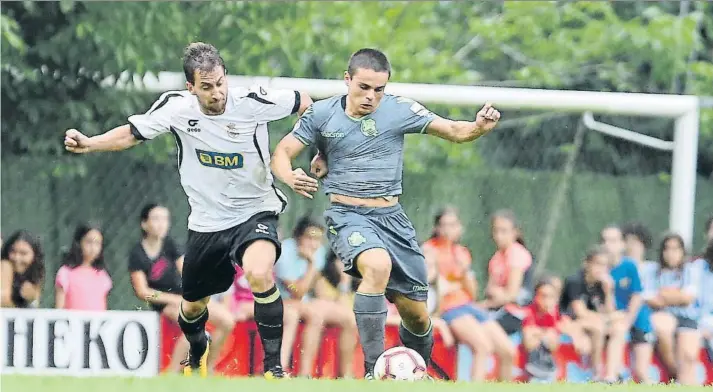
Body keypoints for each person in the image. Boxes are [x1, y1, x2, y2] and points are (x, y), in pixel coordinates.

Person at [63, 42, 312, 378]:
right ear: (190, 87)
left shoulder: (253, 100)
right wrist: (91, 143)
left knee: (259, 272)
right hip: (207, 222)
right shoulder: (176, 108)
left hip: (256, 211)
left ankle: (273, 368)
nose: (217, 93)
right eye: (206, 87)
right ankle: (198, 348)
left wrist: (306, 151)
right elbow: (133, 133)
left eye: (221, 83)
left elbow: (305, 102)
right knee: (193, 305)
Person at [270, 48, 500, 379]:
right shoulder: (321, 114)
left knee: (418, 316)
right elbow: (283, 151)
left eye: (379, 89)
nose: (371, 96)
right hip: (347, 216)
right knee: (377, 266)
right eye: (363, 87)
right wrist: (290, 175)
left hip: (393, 220)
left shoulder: (398, 110)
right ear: (347, 79)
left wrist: (478, 126)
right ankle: (373, 371)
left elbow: (454, 131)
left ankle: (413, 375)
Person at [128, 203, 235, 373]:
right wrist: (176, 299)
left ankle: (208, 369)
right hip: (165, 305)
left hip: (185, 299)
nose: (161, 223)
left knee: (227, 321)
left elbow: (186, 272)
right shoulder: (137, 253)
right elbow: (143, 292)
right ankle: (172, 373)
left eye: (165, 219)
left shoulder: (170, 245)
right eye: (156, 219)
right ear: (144, 224)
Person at [275, 217, 357, 378]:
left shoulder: (318, 252)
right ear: (298, 237)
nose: (314, 244)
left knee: (349, 318)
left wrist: (341, 289)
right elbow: (296, 291)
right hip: (284, 301)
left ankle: (345, 376)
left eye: (317, 239)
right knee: (316, 315)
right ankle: (305, 374)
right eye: (309, 238)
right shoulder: (284, 251)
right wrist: (312, 265)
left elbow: (318, 288)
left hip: (304, 303)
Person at [422, 207, 490, 381]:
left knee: (505, 350)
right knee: (482, 347)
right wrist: (454, 285)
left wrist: (464, 270)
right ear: (436, 228)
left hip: (467, 305)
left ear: (459, 227)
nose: (447, 229)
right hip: (449, 308)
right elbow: (435, 285)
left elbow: (472, 292)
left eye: (452, 225)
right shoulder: (429, 250)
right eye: (443, 225)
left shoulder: (462, 252)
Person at [478, 210, 534, 381]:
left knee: (491, 342)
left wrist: (495, 297)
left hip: (517, 313)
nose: (498, 236)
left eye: (504, 231)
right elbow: (491, 292)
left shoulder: (517, 254)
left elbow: (510, 294)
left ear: (515, 232)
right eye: (495, 231)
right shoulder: (496, 258)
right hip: (500, 310)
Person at [600, 225, 655, 383]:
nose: (607, 245)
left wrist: (627, 321)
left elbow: (637, 296)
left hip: (637, 320)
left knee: (640, 371)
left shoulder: (629, 266)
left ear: (622, 244)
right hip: (613, 317)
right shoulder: (599, 268)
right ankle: (611, 377)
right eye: (604, 240)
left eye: (612, 240)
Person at [646, 233, 702, 385]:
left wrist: (665, 294)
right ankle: (674, 372)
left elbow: (687, 298)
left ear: (683, 252)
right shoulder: (653, 271)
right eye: (667, 249)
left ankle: (685, 381)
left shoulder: (690, 270)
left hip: (687, 318)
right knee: (663, 325)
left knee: (689, 355)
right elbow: (652, 299)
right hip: (664, 315)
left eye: (675, 249)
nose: (671, 253)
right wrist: (676, 295)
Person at [559, 245, 616, 381]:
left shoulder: (601, 285)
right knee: (598, 326)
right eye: (597, 264)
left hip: (590, 323)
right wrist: (608, 318)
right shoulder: (575, 281)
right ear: (587, 263)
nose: (601, 269)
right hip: (569, 322)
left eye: (605, 266)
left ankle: (613, 374)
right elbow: (580, 312)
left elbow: (609, 311)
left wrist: (609, 292)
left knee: (618, 328)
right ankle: (596, 373)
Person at [55, 224, 112, 311]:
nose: (93, 248)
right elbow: (59, 309)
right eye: (89, 242)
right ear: (79, 243)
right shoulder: (65, 272)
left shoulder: (102, 275)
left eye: (97, 243)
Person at [522, 277, 562, 382]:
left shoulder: (553, 314)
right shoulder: (529, 312)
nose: (547, 301)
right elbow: (529, 344)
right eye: (543, 296)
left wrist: (537, 333)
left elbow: (553, 346)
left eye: (550, 297)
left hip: (548, 369)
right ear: (536, 296)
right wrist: (545, 333)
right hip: (530, 369)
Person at [0, 230, 45, 308]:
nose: (17, 258)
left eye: (23, 253)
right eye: (13, 251)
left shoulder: (36, 272)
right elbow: (3, 300)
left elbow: (35, 304)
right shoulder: (5, 265)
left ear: (34, 256)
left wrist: (32, 298)